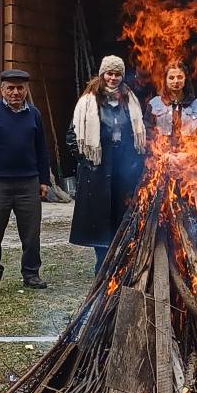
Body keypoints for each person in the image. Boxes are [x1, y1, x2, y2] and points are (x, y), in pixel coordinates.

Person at [0, 68, 53, 294]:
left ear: (26, 90)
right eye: (11, 88)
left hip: (29, 183)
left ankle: (31, 273)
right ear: (2, 90)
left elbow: (42, 150)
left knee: (31, 233)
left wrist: (44, 180)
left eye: (20, 88)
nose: (15, 92)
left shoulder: (34, 114)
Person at [67, 55, 146, 268]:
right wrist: (87, 161)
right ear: (103, 74)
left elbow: (138, 136)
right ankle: (102, 268)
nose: (113, 78)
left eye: (117, 74)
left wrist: (135, 164)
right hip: (98, 172)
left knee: (123, 221)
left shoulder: (130, 100)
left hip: (124, 170)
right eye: (109, 73)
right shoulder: (88, 101)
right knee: (100, 225)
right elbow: (73, 136)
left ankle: (122, 268)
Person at [147, 63, 197, 142]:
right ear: (165, 80)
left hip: (190, 148)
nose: (176, 81)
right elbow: (148, 131)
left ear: (185, 79)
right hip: (162, 148)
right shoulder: (154, 104)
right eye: (171, 78)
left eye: (180, 77)